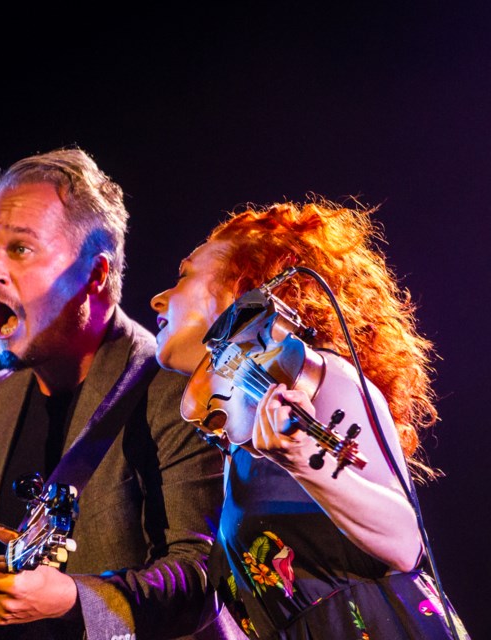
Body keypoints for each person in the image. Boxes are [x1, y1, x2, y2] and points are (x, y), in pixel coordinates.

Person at [150, 197, 470, 638]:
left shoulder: (322, 374)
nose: (157, 298)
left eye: (183, 275)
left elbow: (405, 541)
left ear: (241, 291)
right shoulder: (241, 428)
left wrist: (304, 458)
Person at [0, 147, 241, 639]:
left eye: (20, 249)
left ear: (96, 274)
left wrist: (73, 599)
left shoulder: (175, 392)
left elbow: (205, 577)